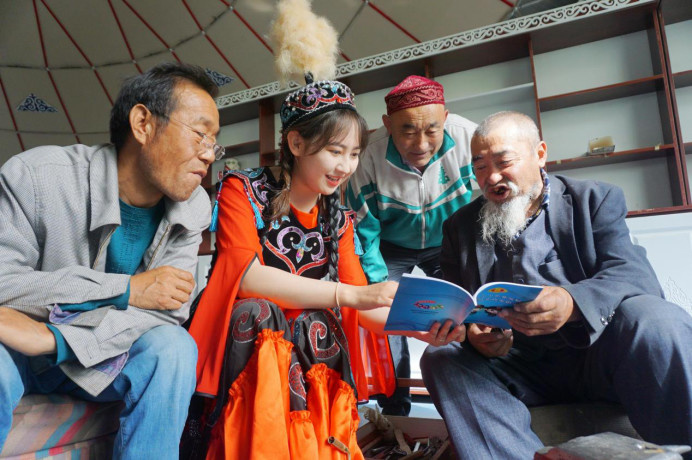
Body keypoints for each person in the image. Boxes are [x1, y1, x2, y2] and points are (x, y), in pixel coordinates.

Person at [184, 77, 465, 459]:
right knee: (257, 312)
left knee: (320, 323)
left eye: (354, 154)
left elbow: (363, 309)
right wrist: (351, 293)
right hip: (249, 346)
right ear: (296, 143)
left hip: (309, 345)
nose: (346, 167)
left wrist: (425, 329)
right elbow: (247, 277)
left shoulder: (339, 218)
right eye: (336, 151)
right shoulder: (242, 189)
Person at [420, 111, 692, 460]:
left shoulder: (595, 200)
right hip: (517, 363)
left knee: (655, 318)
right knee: (441, 357)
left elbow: (633, 274)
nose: (492, 177)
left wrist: (571, 301)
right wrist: (474, 333)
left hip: (596, 354)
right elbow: (459, 302)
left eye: (504, 161)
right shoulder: (460, 226)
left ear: (540, 154)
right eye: (480, 166)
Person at [0, 62, 220, 458]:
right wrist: (126, 290)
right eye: (201, 135)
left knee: (173, 348)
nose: (209, 155)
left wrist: (57, 338)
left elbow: (169, 312)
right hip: (17, 349)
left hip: (97, 357)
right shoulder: (37, 176)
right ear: (142, 124)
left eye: (214, 143)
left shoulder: (195, 206)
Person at [346, 75, 477, 415]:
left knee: (461, 312)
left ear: (445, 118)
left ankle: (468, 401)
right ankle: (395, 407)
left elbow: (487, 204)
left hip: (449, 242)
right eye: (407, 130)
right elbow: (365, 229)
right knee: (386, 317)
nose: (420, 143)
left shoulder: (470, 139)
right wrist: (377, 285)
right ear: (387, 125)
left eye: (432, 129)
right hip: (390, 246)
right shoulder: (367, 157)